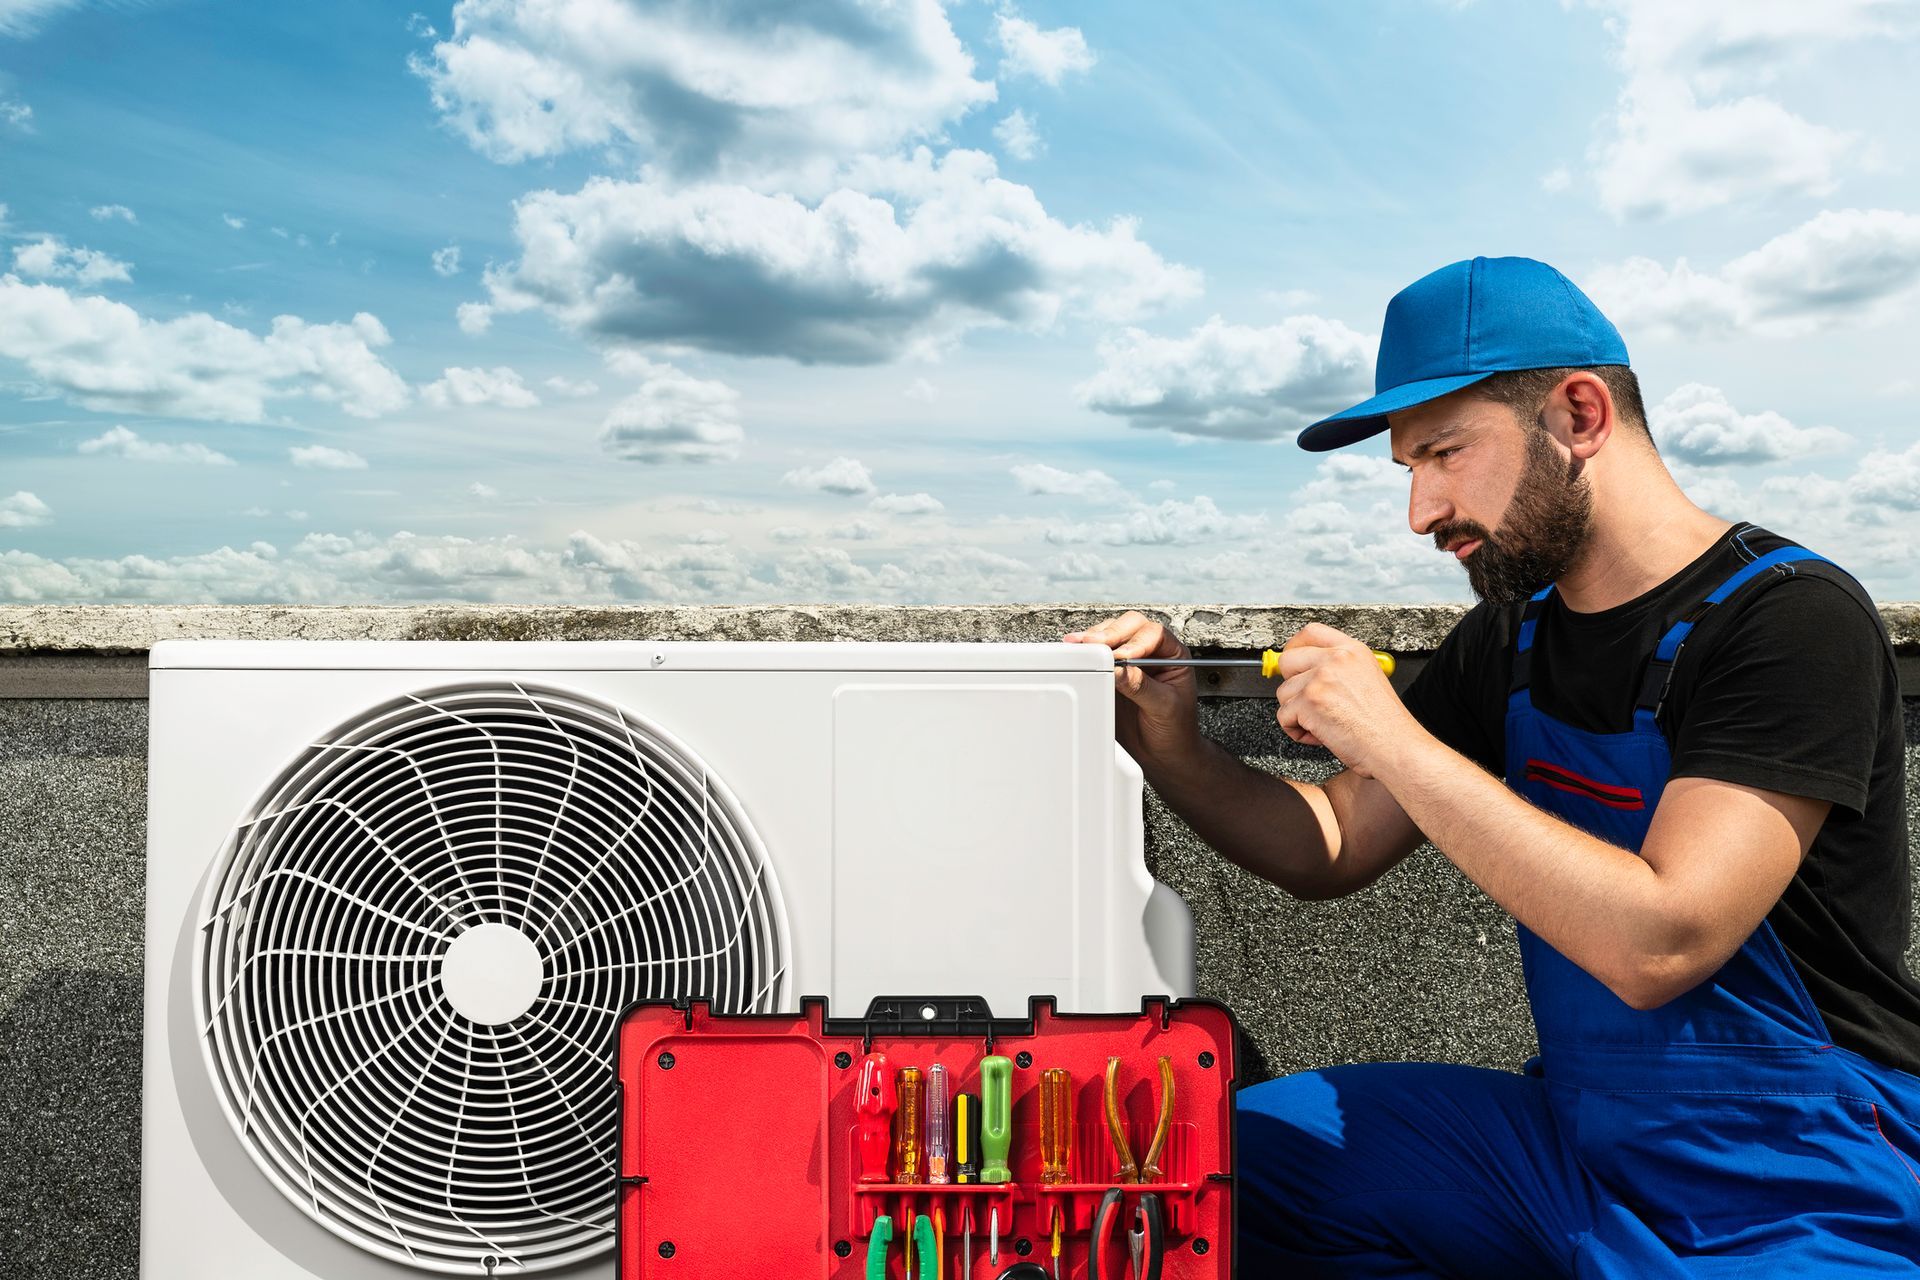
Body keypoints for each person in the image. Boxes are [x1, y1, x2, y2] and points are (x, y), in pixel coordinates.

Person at [1067, 257, 1920, 1276]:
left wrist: (1390, 734)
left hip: (1798, 1175)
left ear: (1580, 413)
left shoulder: (1788, 619)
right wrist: (1172, 742)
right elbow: (1332, 841)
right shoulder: (1513, 638)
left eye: (1444, 452)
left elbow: (1665, 938)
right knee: (1232, 1160)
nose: (1422, 511)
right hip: (1575, 1144)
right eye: (1409, 471)